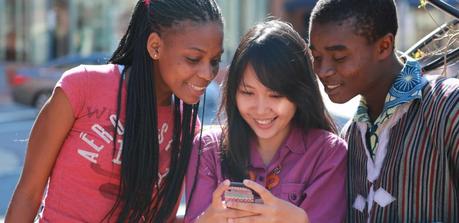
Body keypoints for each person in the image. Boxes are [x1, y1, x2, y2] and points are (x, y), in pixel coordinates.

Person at [5, 0, 223, 222]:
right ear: (155, 46)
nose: (207, 73)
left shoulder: (188, 128)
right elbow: (28, 194)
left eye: (215, 61)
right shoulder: (82, 87)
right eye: (193, 59)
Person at [308, 0, 459, 222]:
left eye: (339, 57)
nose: (322, 71)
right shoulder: (350, 137)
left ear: (384, 46)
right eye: (316, 57)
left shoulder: (448, 106)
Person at [185, 20, 347, 223]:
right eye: (247, 92)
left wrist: (297, 219)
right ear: (233, 91)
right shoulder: (206, 150)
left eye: (276, 95)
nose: (261, 109)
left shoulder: (329, 153)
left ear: (300, 93)